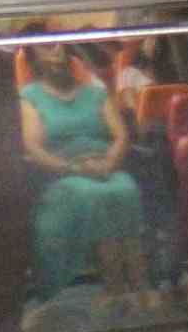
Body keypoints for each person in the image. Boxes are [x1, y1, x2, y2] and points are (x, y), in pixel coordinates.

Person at [16, 41, 155, 315]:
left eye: (59, 49)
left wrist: (108, 163)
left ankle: (140, 286)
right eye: (46, 50)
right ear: (34, 62)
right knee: (93, 194)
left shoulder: (96, 93)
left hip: (106, 167)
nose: (56, 53)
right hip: (63, 174)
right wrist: (73, 167)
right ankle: (114, 287)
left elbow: (121, 136)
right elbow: (32, 147)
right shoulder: (29, 97)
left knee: (125, 188)